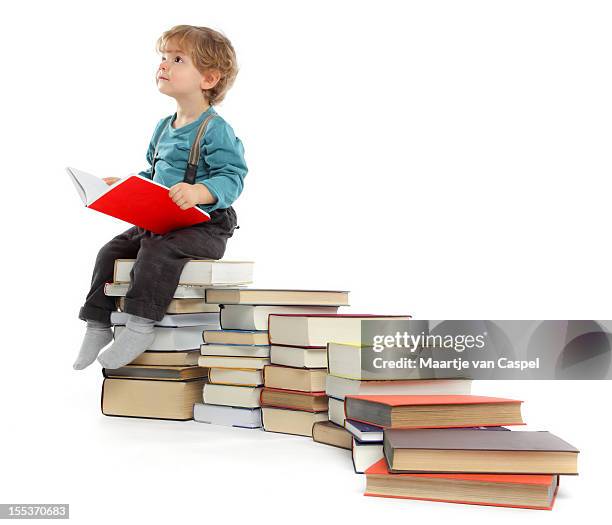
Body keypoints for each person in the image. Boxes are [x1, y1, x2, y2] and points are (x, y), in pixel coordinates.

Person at [73, 25, 247, 370]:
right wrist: (125, 185)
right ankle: (97, 323)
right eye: (163, 58)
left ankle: (140, 325)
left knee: (157, 251)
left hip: (204, 226)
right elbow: (154, 174)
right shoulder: (163, 126)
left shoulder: (214, 128)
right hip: (163, 220)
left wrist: (201, 191)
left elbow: (233, 176)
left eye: (177, 59)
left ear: (208, 79)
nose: (164, 65)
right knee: (110, 250)